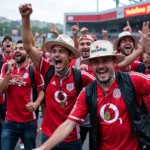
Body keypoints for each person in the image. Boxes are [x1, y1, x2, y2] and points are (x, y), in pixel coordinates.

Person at [33, 36, 150, 150]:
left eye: (105, 60)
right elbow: (69, 124)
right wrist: (43, 148)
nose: (100, 66)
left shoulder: (133, 80)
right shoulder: (87, 93)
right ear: (91, 65)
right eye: (95, 62)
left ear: (114, 61)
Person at [19, 3, 95, 150]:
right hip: (48, 136)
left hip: (72, 140)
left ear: (70, 56)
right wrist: (25, 18)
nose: (56, 55)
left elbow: (103, 89)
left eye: (61, 51)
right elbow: (28, 46)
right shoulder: (47, 69)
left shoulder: (81, 76)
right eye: (54, 51)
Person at [0, 40, 44, 150]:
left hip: (28, 122)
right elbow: (1, 91)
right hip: (9, 121)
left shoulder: (33, 70)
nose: (18, 51)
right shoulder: (6, 67)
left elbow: (43, 90)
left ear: (28, 53)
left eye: (22, 48)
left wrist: (36, 103)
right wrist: (9, 73)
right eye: (17, 48)